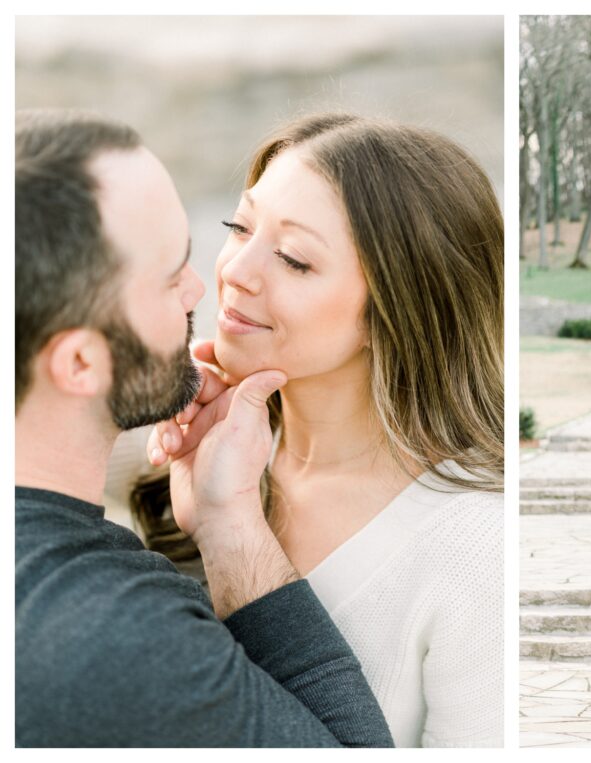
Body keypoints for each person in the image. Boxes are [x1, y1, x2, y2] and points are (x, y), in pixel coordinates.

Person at [14, 109, 393, 747]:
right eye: (168, 280)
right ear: (80, 361)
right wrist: (231, 524)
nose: (205, 287)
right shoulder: (117, 640)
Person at [140, 113, 504, 747]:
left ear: (398, 308)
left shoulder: (478, 548)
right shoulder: (210, 451)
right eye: (240, 227)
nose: (236, 271)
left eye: (293, 259)